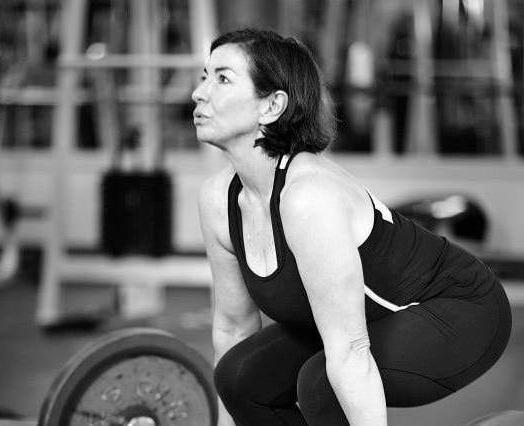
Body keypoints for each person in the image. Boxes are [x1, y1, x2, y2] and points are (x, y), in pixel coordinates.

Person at [192, 28, 512, 426]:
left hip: (460, 311)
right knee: (241, 376)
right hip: (369, 324)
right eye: (205, 76)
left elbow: (351, 350)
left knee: (322, 382)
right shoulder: (218, 200)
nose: (199, 92)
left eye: (222, 78)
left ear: (272, 106)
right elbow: (233, 329)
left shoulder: (308, 195)